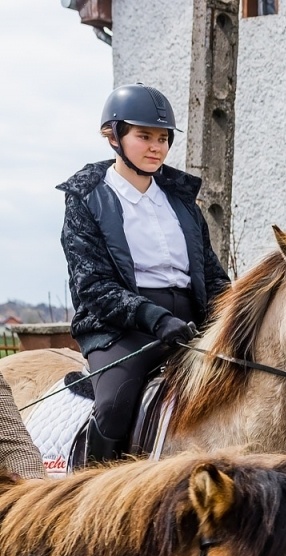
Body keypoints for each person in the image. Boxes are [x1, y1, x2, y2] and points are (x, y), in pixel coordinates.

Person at [59, 84, 230, 462]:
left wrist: (235, 311)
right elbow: (94, 287)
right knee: (114, 405)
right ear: (114, 136)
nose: (156, 147)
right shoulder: (87, 200)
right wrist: (154, 318)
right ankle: (92, 488)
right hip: (121, 328)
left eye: (163, 138)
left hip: (190, 322)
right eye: (144, 136)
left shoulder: (181, 202)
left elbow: (211, 274)